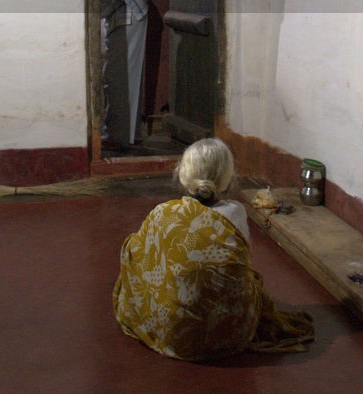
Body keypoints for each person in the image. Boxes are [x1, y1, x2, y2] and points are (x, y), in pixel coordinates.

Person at [112, 138, 314, 361]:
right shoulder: (235, 213)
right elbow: (241, 268)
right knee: (253, 280)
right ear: (228, 177)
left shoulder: (163, 212)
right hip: (222, 335)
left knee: (135, 247)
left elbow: (137, 255)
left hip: (164, 330)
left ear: (183, 174)